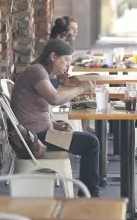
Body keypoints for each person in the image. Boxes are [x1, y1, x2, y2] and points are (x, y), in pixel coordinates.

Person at [10, 39, 100, 197]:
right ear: (53, 56)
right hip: (36, 139)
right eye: (66, 59)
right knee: (91, 142)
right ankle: (90, 195)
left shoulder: (38, 71)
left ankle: (89, 193)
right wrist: (81, 88)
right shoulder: (36, 72)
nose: (67, 65)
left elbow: (33, 112)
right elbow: (55, 99)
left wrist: (54, 124)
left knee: (89, 141)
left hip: (41, 134)